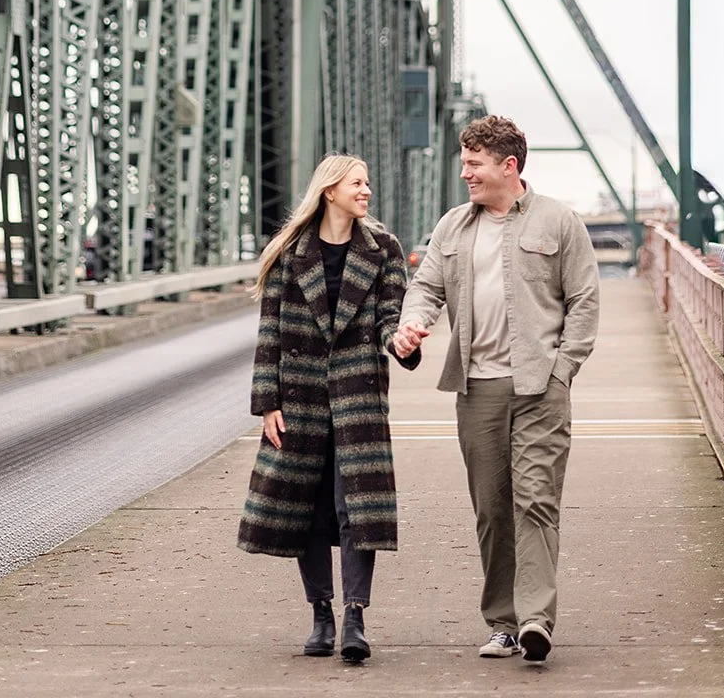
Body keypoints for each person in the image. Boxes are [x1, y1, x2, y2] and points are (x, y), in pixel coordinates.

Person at [392, 114, 599, 667]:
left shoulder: (559, 222)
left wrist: (562, 371)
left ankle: (534, 619)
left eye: (475, 164)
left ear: (509, 166)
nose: (466, 174)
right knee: (491, 510)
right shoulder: (454, 227)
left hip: (539, 389)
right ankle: (502, 624)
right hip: (476, 390)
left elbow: (584, 301)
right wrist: (410, 325)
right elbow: (425, 287)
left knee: (535, 501)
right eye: (464, 162)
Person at [238, 153, 420, 663]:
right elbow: (269, 333)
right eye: (357, 183)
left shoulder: (383, 249)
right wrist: (266, 404)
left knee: (355, 507)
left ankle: (355, 617)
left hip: (358, 394)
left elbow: (390, 316)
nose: (366, 191)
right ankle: (321, 614)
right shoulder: (290, 252)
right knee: (307, 509)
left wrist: (401, 341)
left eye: (367, 182)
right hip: (299, 396)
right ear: (330, 191)